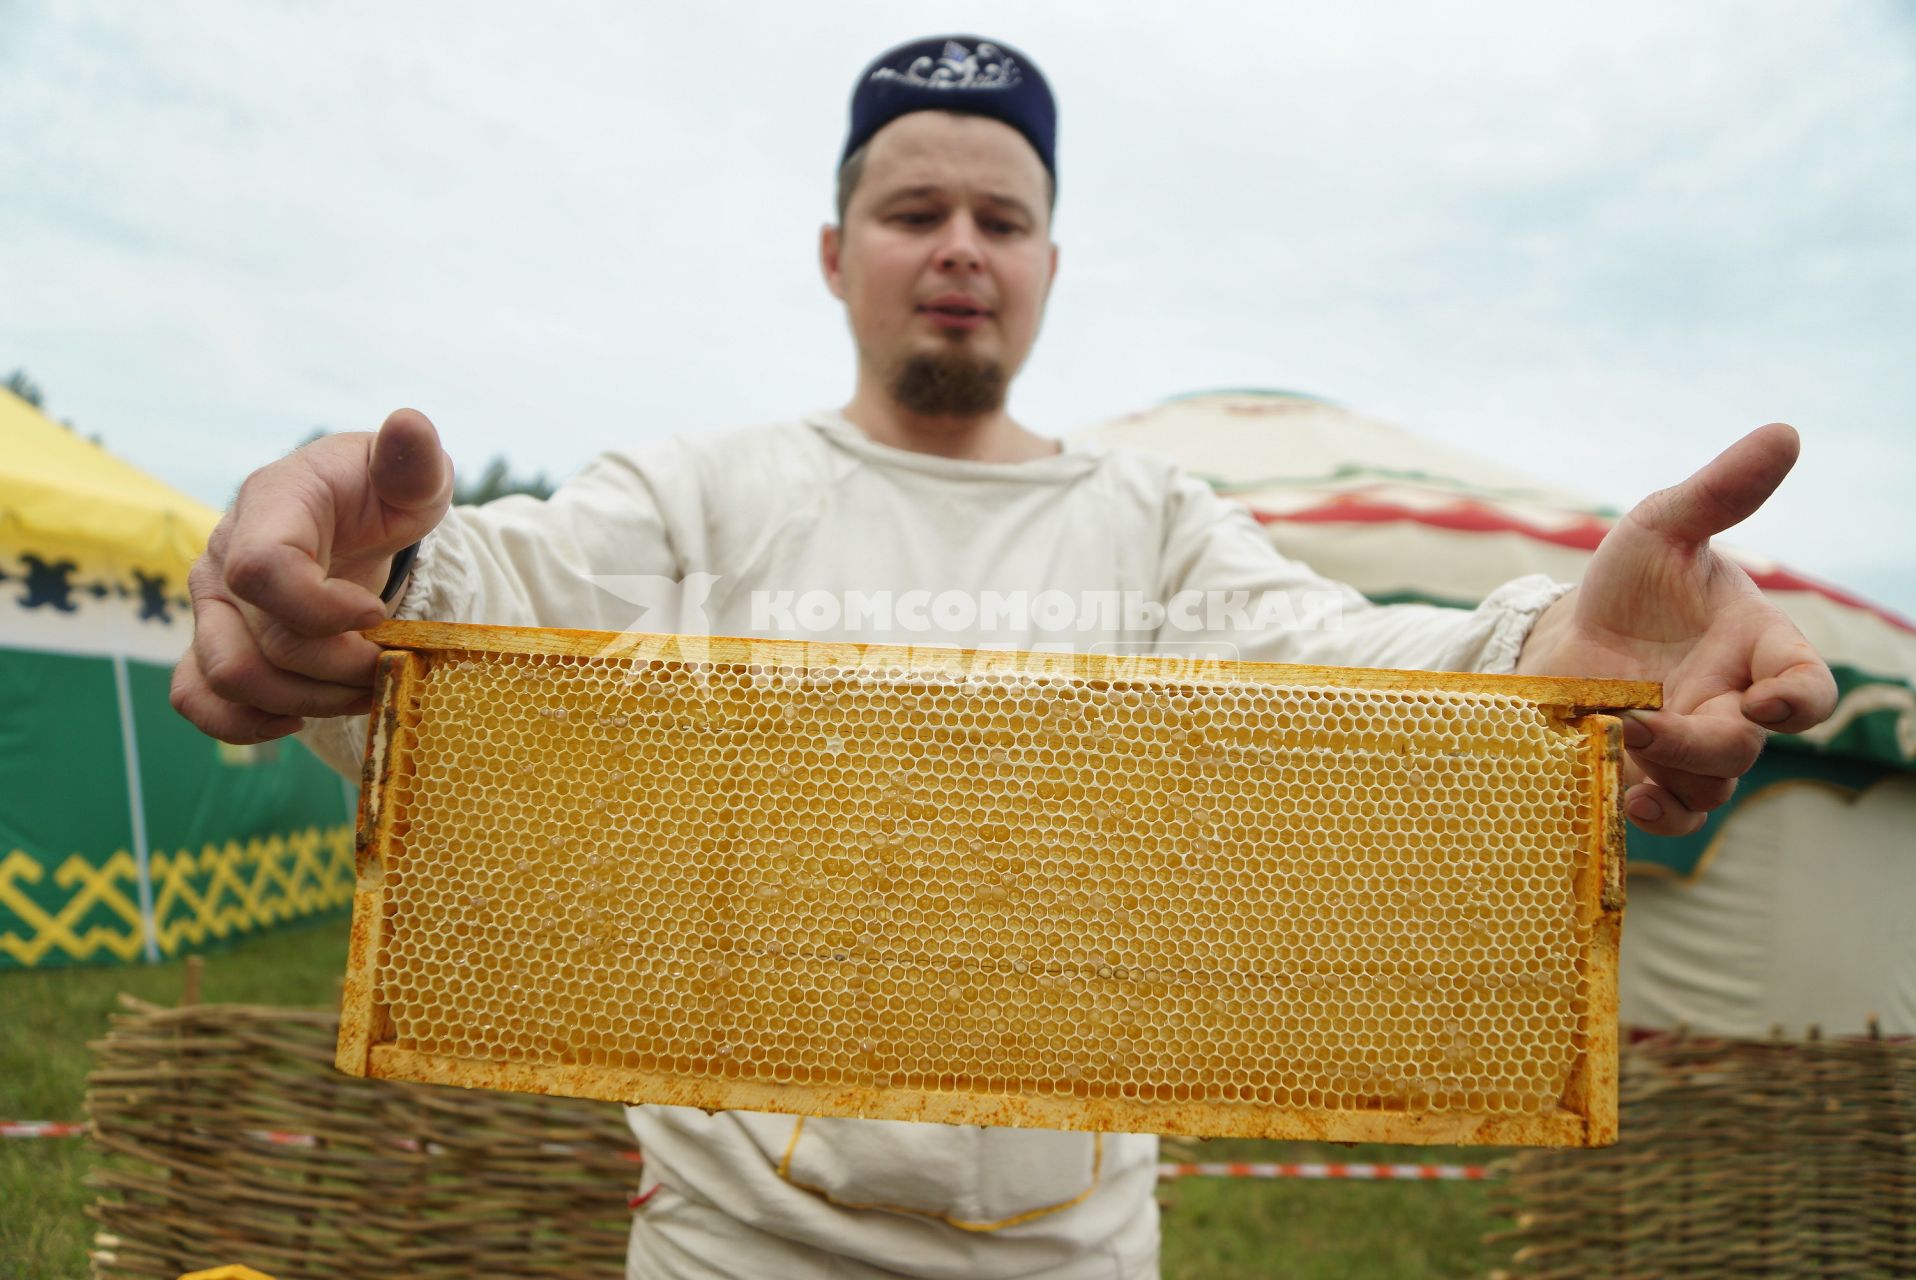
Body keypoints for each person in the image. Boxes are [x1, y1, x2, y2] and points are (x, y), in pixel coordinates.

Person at [171, 34, 1836, 1280]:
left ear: (1047, 264)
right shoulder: (698, 494)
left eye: (1000, 215)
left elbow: (1354, 671)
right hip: (730, 1247)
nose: (959, 245)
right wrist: (368, 562)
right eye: (913, 210)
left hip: (1078, 1249)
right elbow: (479, 605)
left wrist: (1555, 660)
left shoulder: (1160, 523)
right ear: (838, 254)